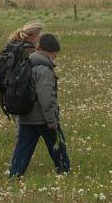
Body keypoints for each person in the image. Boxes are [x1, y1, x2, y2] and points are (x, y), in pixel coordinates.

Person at [8, 33, 70, 177]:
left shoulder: (27, 61)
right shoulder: (44, 69)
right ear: (51, 51)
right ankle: (65, 172)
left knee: (22, 149)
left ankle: (15, 174)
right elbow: (45, 97)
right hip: (42, 118)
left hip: (26, 115)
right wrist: (52, 121)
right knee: (58, 146)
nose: (55, 57)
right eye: (55, 53)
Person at [0, 21, 44, 115]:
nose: (41, 39)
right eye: (40, 36)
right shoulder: (28, 51)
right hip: (22, 99)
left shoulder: (11, 46)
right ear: (33, 36)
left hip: (8, 96)